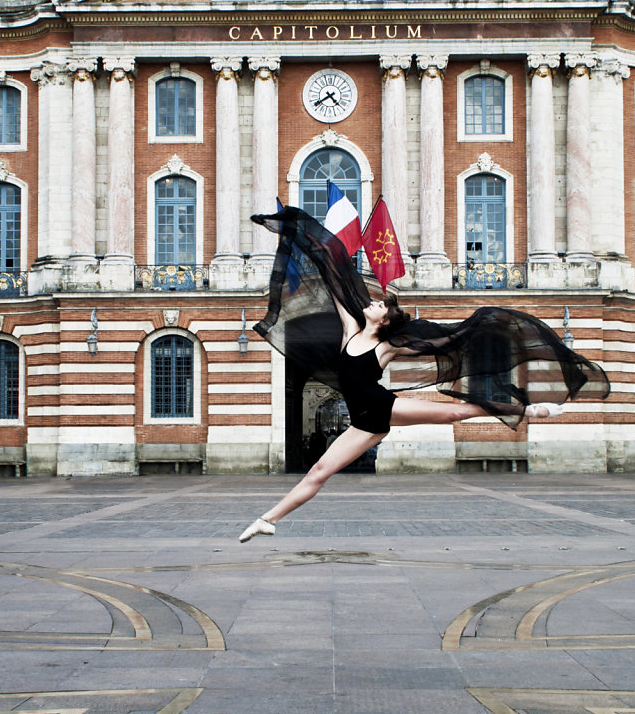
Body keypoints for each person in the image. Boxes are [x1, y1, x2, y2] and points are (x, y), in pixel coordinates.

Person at [238, 207, 609, 542]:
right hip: (363, 424)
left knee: (455, 412)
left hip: (382, 407)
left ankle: (530, 410)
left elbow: (441, 343)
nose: (372, 301)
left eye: (380, 304)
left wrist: (478, 324)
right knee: (319, 471)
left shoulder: (386, 346)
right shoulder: (351, 328)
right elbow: (333, 274)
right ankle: (266, 519)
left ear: (384, 319)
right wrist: (296, 233)